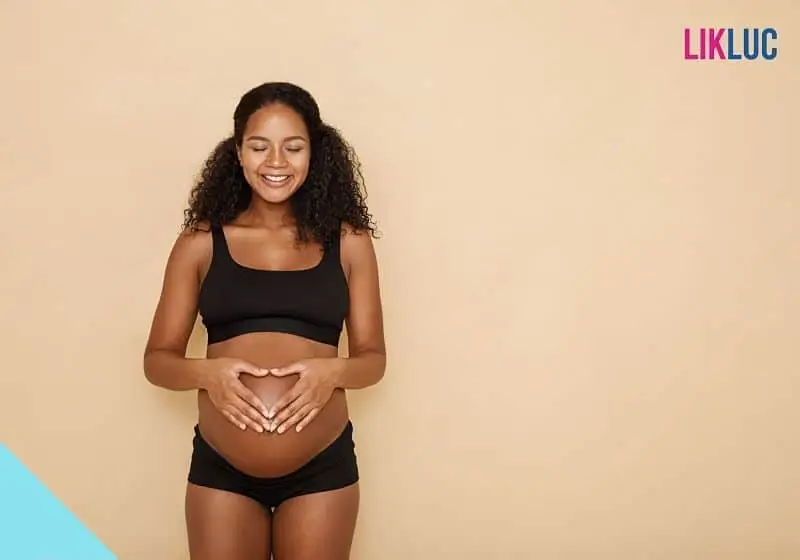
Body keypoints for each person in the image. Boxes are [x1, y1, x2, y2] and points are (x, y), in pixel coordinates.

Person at [142, 81, 386, 560]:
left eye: (293, 147)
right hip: (222, 470)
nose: (276, 161)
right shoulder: (199, 243)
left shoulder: (350, 242)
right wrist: (206, 373)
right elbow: (157, 361)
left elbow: (374, 360)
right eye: (259, 146)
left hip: (322, 468)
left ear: (315, 153)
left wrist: (332, 371)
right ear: (237, 152)